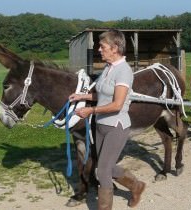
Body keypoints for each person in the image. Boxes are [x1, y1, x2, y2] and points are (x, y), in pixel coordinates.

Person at [69, 29, 145, 210]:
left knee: (102, 171)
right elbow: (102, 95)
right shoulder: (108, 68)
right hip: (101, 124)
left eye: (102, 46)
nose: (99, 50)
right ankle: (136, 186)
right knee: (106, 167)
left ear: (115, 48)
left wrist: (91, 111)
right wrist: (82, 97)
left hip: (116, 126)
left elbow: (117, 104)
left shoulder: (124, 71)